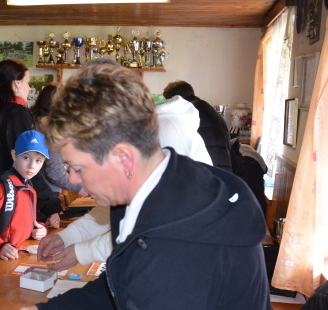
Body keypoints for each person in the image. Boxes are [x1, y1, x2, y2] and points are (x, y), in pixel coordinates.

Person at [7, 62, 292, 310]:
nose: (72, 180)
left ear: (123, 158)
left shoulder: (178, 244)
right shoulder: (154, 189)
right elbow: (123, 281)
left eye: (78, 167)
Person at [38, 93, 213, 270]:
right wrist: (67, 237)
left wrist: (83, 252)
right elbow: (114, 208)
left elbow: (151, 226)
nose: (75, 180)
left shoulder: (164, 136)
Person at [0, 59, 63, 227]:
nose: (29, 88)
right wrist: (51, 206)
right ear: (16, 84)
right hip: (11, 196)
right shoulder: (18, 114)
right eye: (27, 82)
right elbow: (29, 160)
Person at [0, 130, 48, 267]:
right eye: (26, 158)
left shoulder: (30, 188)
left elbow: (29, 221)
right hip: (1, 261)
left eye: (38, 161)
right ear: (14, 155)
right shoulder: (1, 188)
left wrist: (40, 229)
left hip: (21, 257)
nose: (32, 166)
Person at [163, 80, 233, 172]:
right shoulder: (211, 110)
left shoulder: (186, 112)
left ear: (173, 98)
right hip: (225, 171)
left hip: (207, 171)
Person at [31, 82, 85, 199]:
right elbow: (53, 169)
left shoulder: (34, 119)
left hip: (32, 188)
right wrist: (79, 188)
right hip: (47, 192)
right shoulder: (52, 128)